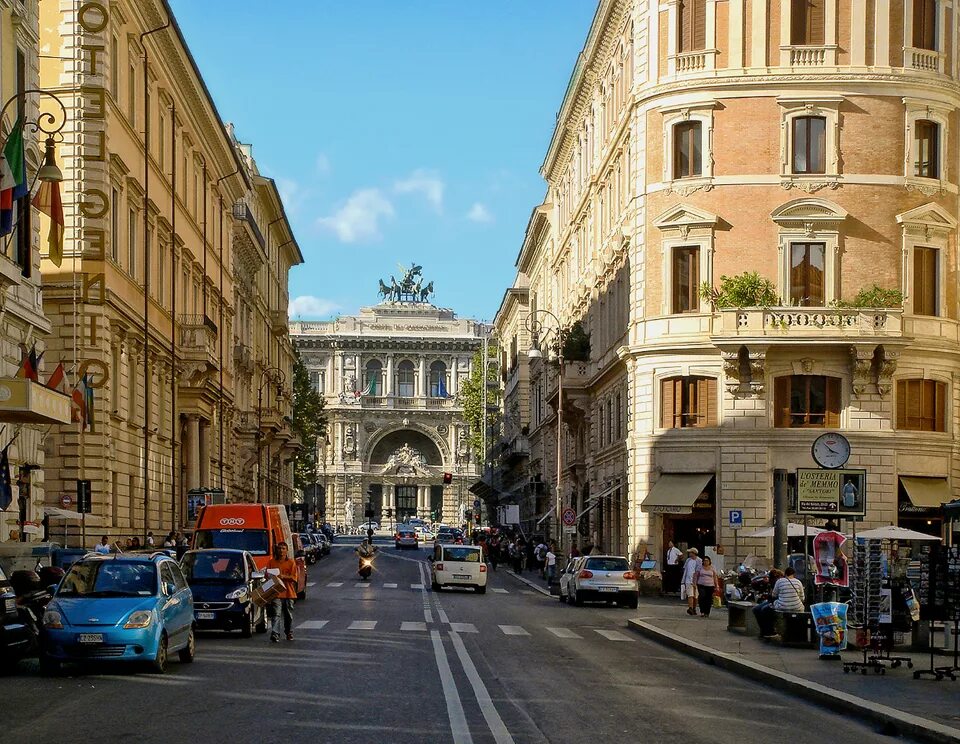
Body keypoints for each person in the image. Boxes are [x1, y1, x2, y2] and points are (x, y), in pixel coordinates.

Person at [754, 567, 805, 638]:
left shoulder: (779, 581)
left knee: (765, 609)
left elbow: (774, 595)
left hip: (782, 606)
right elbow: (802, 598)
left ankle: (768, 632)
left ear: (785, 574)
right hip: (797, 607)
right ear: (793, 574)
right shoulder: (798, 582)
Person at [266, 541, 298, 642]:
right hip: (276, 593)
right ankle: (275, 633)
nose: (281, 551)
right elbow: (267, 575)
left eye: (283, 549)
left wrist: (282, 576)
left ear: (287, 550)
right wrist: (270, 576)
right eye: (279, 548)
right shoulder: (272, 562)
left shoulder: (291, 562)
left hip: (288, 593)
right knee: (276, 614)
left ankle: (289, 632)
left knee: (288, 615)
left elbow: (294, 578)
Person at [681, 548, 702, 616]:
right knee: (690, 594)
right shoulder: (688, 560)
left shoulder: (699, 560)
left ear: (693, 553)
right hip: (688, 579)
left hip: (696, 580)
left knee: (695, 595)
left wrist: (695, 580)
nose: (689, 554)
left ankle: (694, 608)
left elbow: (698, 571)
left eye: (690, 552)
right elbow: (685, 569)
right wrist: (683, 579)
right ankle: (690, 608)